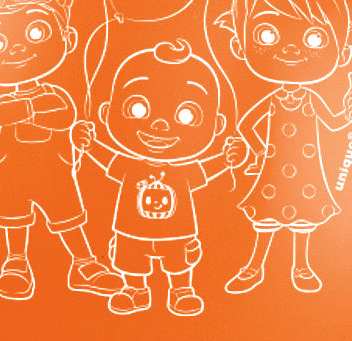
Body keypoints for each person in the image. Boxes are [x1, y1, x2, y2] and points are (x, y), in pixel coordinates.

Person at [0, 0, 123, 300]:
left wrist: (29, 111)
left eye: (36, 32)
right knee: (15, 220)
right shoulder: (10, 101)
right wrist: (34, 110)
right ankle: (16, 262)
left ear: (68, 38)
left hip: (56, 172)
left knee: (68, 218)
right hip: (11, 174)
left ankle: (83, 264)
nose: (18, 48)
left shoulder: (55, 95)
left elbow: (62, 117)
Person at [215, 0, 352, 294]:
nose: (289, 49)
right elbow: (245, 125)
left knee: (303, 220)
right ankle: (254, 267)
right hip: (274, 167)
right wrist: (259, 152)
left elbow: (333, 123)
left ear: (342, 52)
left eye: (315, 38)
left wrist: (350, 114)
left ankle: (301, 267)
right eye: (266, 34)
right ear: (239, 46)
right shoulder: (272, 100)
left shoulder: (311, 98)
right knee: (266, 220)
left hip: (305, 169)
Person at [71, 39, 247, 316]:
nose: (159, 125)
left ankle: (181, 290)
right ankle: (135, 290)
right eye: (137, 108)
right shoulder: (129, 165)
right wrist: (88, 144)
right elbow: (106, 159)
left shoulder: (184, 170)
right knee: (130, 259)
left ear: (217, 126)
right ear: (106, 113)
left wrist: (228, 159)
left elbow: (208, 170)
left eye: (187, 115)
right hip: (131, 232)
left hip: (177, 232)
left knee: (179, 261)